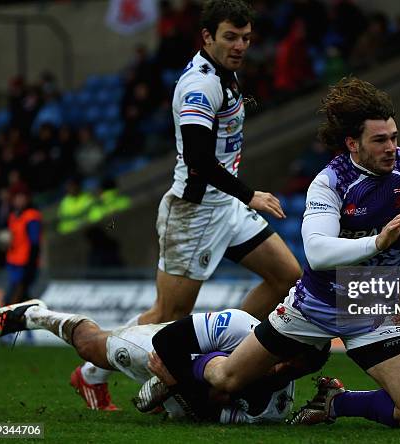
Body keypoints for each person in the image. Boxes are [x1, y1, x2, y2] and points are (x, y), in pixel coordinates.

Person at [162, 77, 400, 428]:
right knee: (225, 379)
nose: (391, 147)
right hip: (313, 309)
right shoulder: (330, 181)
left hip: (372, 313)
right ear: (353, 143)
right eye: (379, 140)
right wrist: (376, 243)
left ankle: (336, 401)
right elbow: (317, 252)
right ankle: (180, 369)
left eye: (394, 137)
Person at [76, 0, 302, 411]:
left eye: (246, 38)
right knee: (167, 315)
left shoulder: (227, 73)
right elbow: (198, 160)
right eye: (230, 37)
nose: (239, 46)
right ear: (207, 37)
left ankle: (233, 349)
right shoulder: (200, 84)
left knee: (287, 277)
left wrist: (239, 199)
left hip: (227, 209)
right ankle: (92, 372)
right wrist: (250, 193)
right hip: (194, 213)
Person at [0, 300, 326, 424]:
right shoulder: (239, 326)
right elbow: (167, 343)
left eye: (293, 370)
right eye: (282, 358)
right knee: (90, 345)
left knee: (166, 403)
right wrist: (181, 380)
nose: (280, 368)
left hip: (180, 384)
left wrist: (176, 386)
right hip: (165, 354)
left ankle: (91, 377)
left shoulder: (272, 409)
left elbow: (207, 419)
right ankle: (35, 314)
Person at [3, 188, 42, 306]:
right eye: (17, 198)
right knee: (23, 297)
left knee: (12, 298)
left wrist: (31, 262)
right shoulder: (12, 216)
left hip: (25, 262)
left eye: (22, 198)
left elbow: (35, 242)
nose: (19, 201)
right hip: (13, 261)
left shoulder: (32, 216)